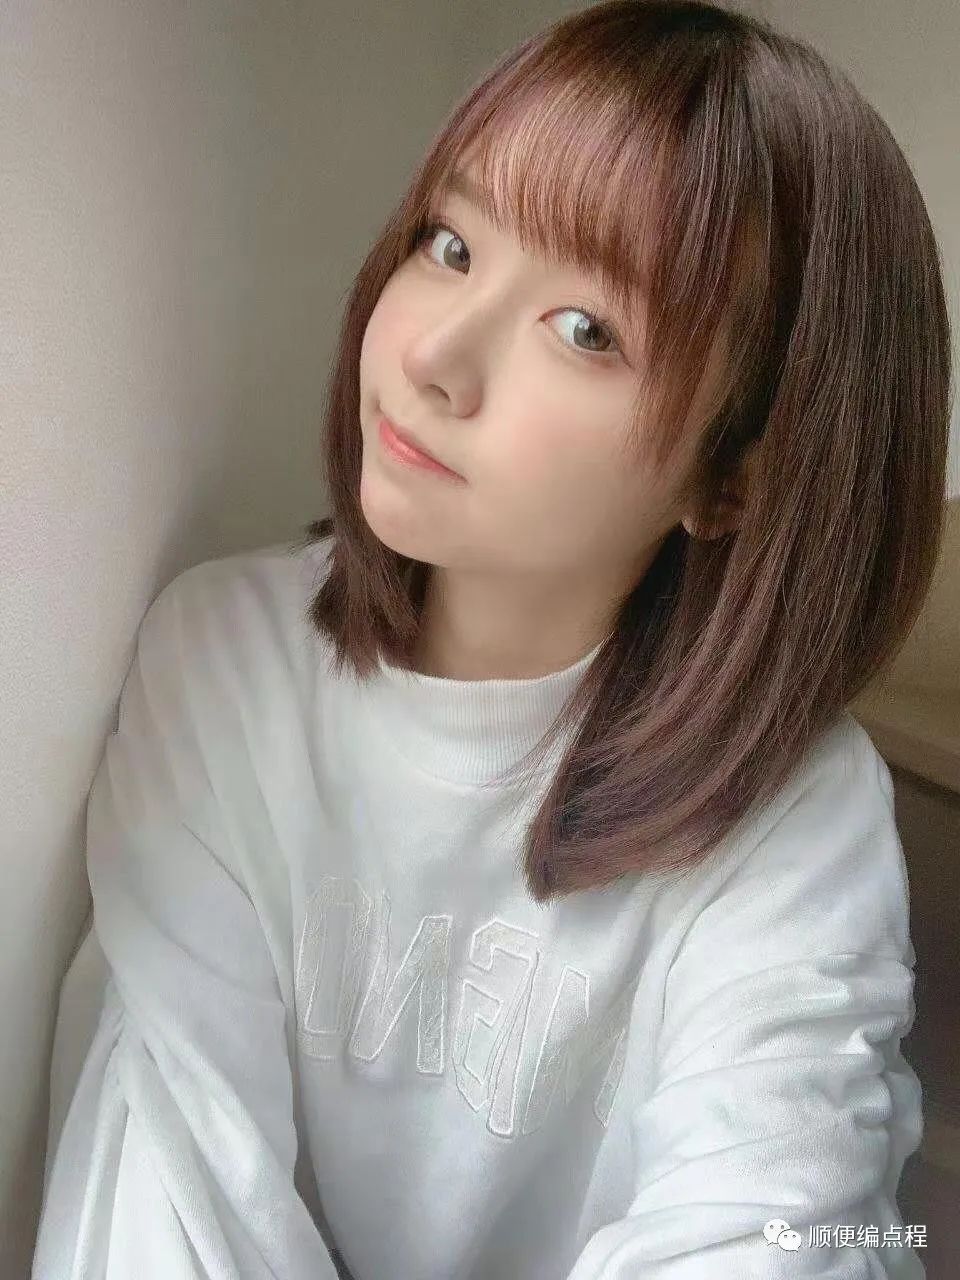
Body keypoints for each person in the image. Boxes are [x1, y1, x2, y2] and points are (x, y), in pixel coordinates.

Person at [33, 1, 951, 1277]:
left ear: (736, 473)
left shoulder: (794, 811)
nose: (433, 354)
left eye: (587, 330)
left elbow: (777, 1228)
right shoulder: (224, 663)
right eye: (451, 244)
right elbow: (170, 1189)